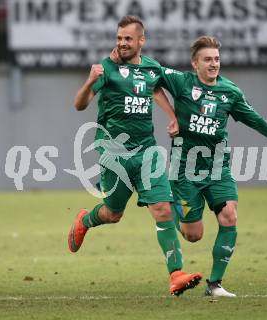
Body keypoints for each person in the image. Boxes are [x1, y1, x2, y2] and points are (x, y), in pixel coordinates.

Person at [110, 35, 267, 297]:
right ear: (195, 63)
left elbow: (255, 120)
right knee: (194, 235)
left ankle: (215, 284)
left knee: (230, 215)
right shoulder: (181, 82)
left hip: (217, 167)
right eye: (207, 59)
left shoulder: (231, 92)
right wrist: (122, 59)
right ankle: (177, 209)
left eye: (216, 59)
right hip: (185, 171)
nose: (214, 64)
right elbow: (151, 73)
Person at [68, 15, 202, 296]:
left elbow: (155, 89)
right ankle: (85, 220)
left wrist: (174, 117)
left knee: (162, 209)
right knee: (113, 213)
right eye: (119, 38)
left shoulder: (151, 68)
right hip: (113, 152)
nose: (122, 43)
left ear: (142, 41)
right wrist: (90, 79)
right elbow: (80, 105)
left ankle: (176, 274)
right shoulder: (106, 68)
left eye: (128, 39)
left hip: (147, 150)